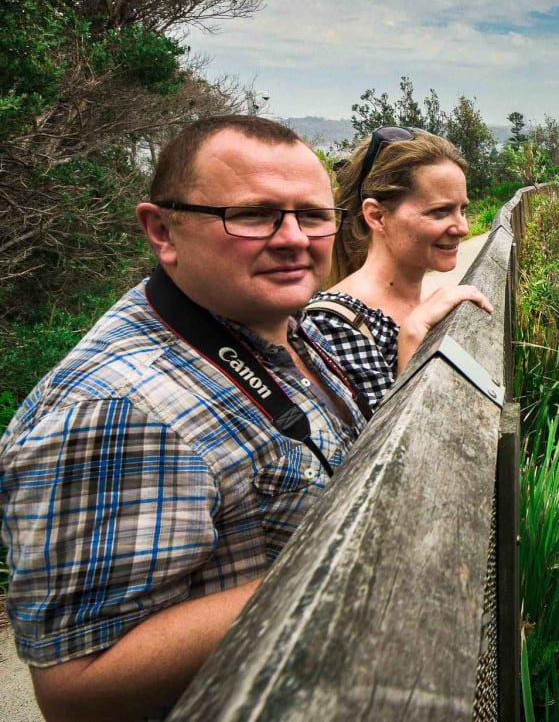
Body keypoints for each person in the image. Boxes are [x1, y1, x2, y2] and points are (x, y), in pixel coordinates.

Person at [0, 115, 366, 721]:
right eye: (253, 214)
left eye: (312, 215)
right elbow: (78, 689)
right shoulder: (118, 408)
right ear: (162, 230)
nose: (293, 237)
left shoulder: (276, 325)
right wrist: (341, 569)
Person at [302, 127, 492, 412]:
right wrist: (413, 339)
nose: (462, 227)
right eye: (440, 211)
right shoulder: (333, 325)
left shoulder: (433, 300)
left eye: (462, 209)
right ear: (377, 216)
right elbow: (370, 448)